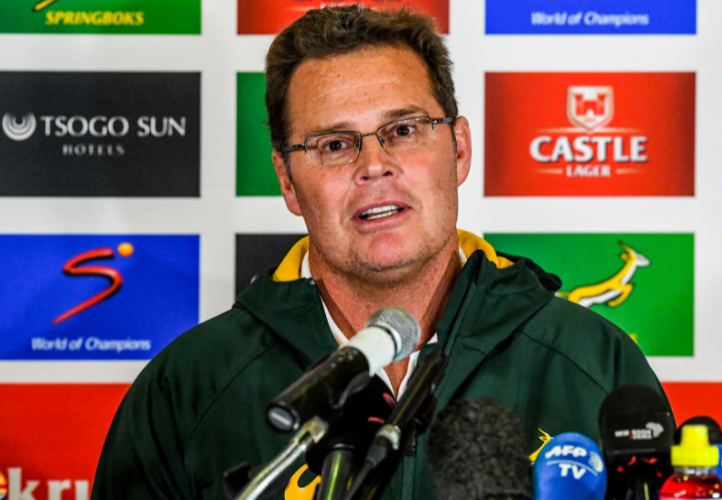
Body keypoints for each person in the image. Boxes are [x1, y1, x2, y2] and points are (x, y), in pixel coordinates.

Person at [91, 6, 670, 500]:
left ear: (460, 149)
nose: (373, 167)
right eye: (334, 144)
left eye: (404, 130)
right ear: (288, 182)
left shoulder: (594, 364)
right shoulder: (189, 387)